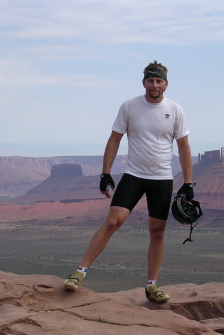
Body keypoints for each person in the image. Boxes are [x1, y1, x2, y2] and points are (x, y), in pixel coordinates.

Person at [64, 60, 195, 303]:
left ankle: (151, 286)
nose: (154, 84)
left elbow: (184, 146)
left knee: (157, 232)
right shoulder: (130, 106)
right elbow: (114, 139)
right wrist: (105, 173)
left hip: (162, 179)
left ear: (166, 84)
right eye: (150, 80)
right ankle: (79, 273)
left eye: (159, 81)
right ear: (144, 81)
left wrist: (188, 182)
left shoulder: (175, 110)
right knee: (114, 221)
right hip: (134, 175)